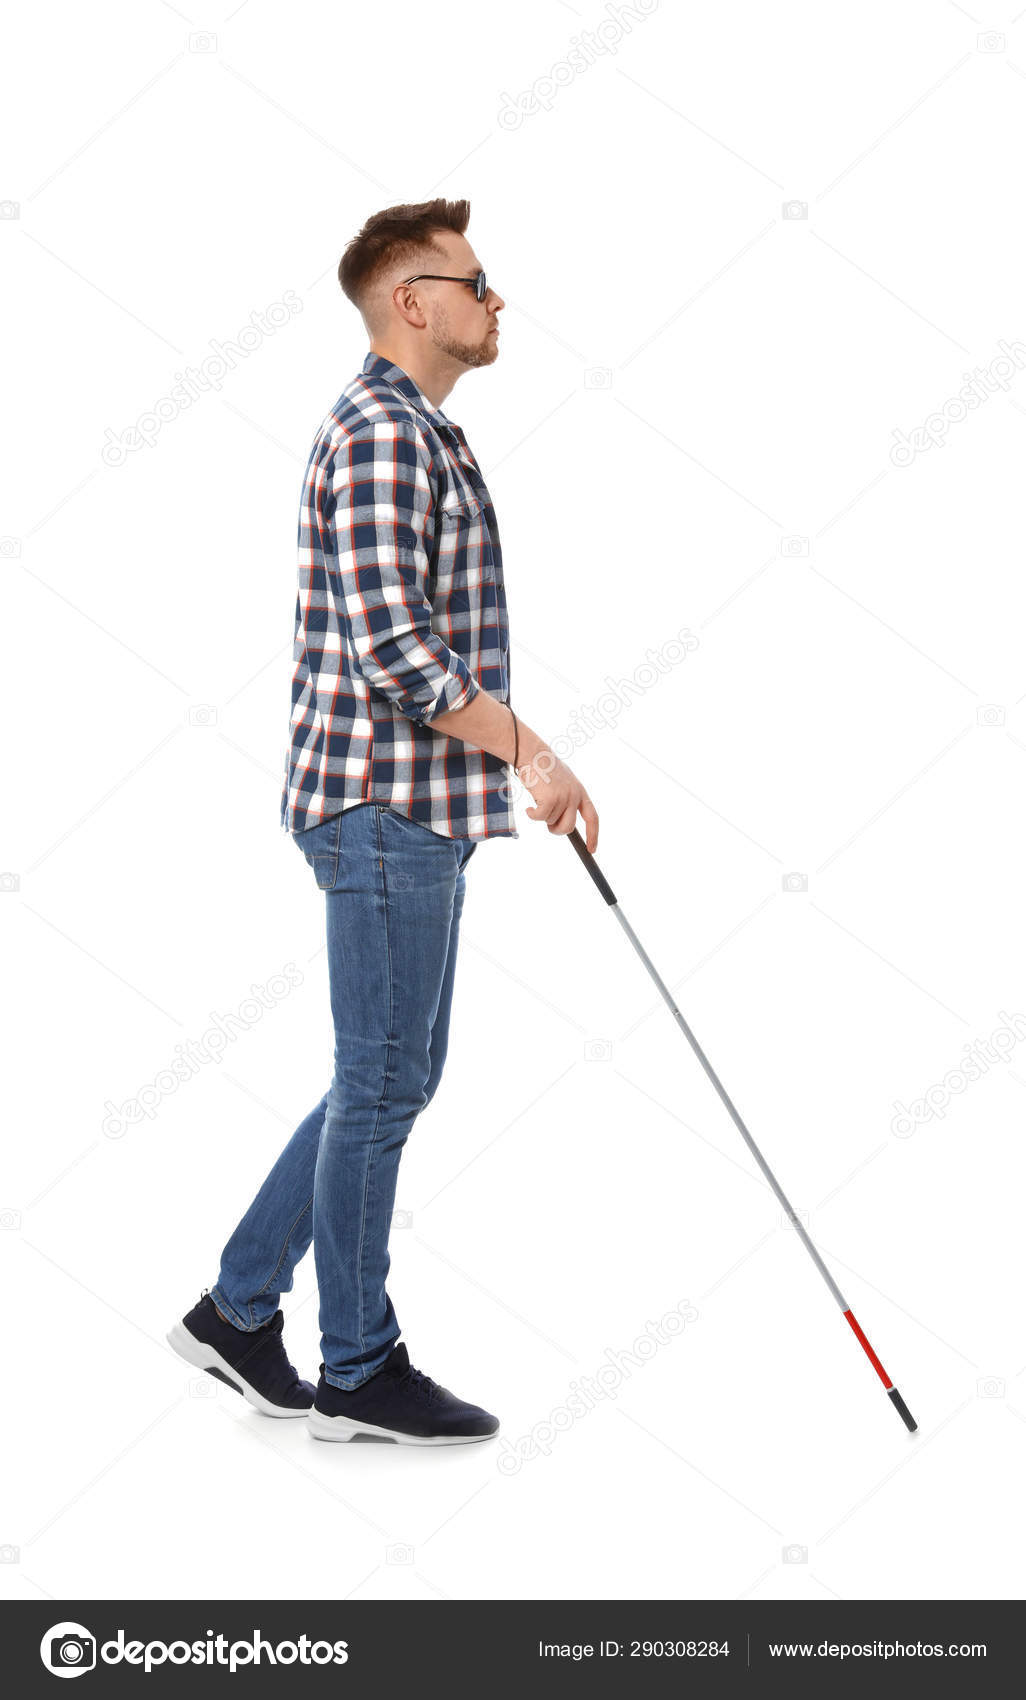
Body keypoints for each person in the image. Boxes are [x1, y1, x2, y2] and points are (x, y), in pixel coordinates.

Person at [168, 199, 599, 1446]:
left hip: (415, 809)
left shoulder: (423, 432)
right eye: (475, 282)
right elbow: (399, 652)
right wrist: (538, 754)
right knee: (382, 1082)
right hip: (377, 803)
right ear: (412, 301)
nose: (494, 299)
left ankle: (237, 1310)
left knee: (389, 1076)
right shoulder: (376, 435)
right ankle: (357, 1366)